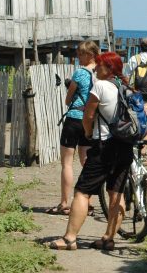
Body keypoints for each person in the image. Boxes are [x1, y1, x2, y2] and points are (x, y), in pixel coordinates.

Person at [49, 52, 133, 251]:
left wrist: (88, 132)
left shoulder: (101, 86)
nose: (96, 69)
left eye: (100, 65)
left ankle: (69, 238)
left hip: (104, 147)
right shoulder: (127, 87)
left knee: (82, 192)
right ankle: (108, 239)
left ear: (109, 68)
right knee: (116, 193)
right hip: (125, 146)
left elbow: (88, 115)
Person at [46, 40, 99, 216]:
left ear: (90, 54)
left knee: (67, 163)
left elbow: (68, 100)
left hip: (75, 119)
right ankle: (88, 202)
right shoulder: (100, 73)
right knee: (86, 161)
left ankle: (64, 203)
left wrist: (72, 89)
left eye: (81, 54)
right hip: (90, 121)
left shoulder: (80, 73)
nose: (78, 58)